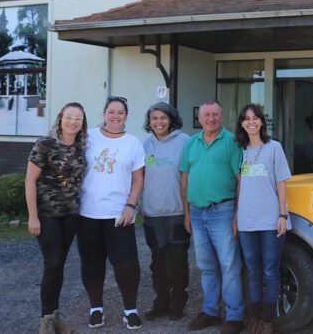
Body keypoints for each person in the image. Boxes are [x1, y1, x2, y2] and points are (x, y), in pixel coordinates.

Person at [77, 96, 145, 330]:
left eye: (121, 112)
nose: (116, 116)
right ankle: (96, 308)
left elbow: (138, 179)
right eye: (111, 111)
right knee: (92, 263)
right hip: (88, 213)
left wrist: (131, 205)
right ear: (104, 113)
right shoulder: (88, 138)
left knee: (127, 264)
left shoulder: (133, 143)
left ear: (126, 116)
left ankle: (130, 310)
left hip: (119, 214)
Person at [180, 99, 245, 334]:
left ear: (222, 116)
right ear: (199, 118)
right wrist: (187, 213)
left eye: (215, 115)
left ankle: (235, 316)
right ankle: (210, 312)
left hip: (223, 211)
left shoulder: (232, 143)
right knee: (206, 265)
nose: (210, 119)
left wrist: (238, 215)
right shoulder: (191, 143)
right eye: (206, 115)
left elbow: (241, 181)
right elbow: (185, 179)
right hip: (197, 213)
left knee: (229, 265)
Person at [25, 102, 88, 334]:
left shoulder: (82, 146)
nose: (73, 122)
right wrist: (32, 216)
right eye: (69, 117)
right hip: (46, 215)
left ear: (83, 123)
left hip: (70, 215)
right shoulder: (45, 144)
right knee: (52, 263)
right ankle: (46, 321)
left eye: (78, 118)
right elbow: (30, 180)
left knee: (58, 265)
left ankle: (55, 316)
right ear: (60, 119)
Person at [235, 104, 291, 334]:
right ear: (241, 123)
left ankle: (267, 321)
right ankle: (254, 319)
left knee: (270, 271)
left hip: (270, 221)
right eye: (247, 119)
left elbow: (282, 183)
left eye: (255, 118)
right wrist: (237, 217)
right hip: (247, 222)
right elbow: (239, 186)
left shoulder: (274, 147)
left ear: (261, 122)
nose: (251, 122)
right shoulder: (240, 150)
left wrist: (282, 215)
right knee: (253, 272)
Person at [140, 102, 191, 321]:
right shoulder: (144, 146)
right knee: (158, 261)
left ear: (171, 119)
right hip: (152, 214)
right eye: (154, 118)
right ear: (149, 122)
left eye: (163, 118)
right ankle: (161, 302)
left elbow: (189, 176)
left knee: (178, 259)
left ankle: (178, 302)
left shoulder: (185, 142)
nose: (158, 122)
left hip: (177, 212)